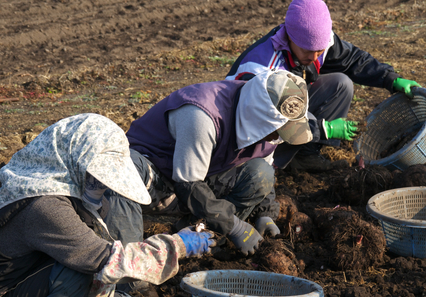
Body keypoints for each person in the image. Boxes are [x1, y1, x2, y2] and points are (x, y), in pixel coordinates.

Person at [0, 113, 214, 297]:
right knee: (77, 270)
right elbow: (102, 261)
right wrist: (177, 246)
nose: (101, 187)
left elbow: (97, 264)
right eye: (96, 176)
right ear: (75, 161)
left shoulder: (65, 196)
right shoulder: (45, 207)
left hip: (15, 293)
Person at [109, 69, 312, 257]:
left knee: (261, 174)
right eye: (278, 130)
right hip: (155, 177)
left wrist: (265, 213)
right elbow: (188, 184)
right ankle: (132, 267)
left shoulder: (268, 130)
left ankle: (204, 237)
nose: (277, 137)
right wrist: (236, 227)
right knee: (126, 171)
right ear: (261, 119)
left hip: (201, 177)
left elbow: (263, 163)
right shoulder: (203, 115)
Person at [225, 0, 422, 172]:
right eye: (307, 51)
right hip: (244, 133)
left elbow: (353, 60)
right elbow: (265, 121)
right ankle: (272, 164)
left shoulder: (320, 42)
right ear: (290, 38)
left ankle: (305, 156)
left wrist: (391, 79)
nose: (314, 57)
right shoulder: (263, 69)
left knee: (340, 84)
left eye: (318, 51)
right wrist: (324, 129)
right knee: (263, 161)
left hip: (284, 109)